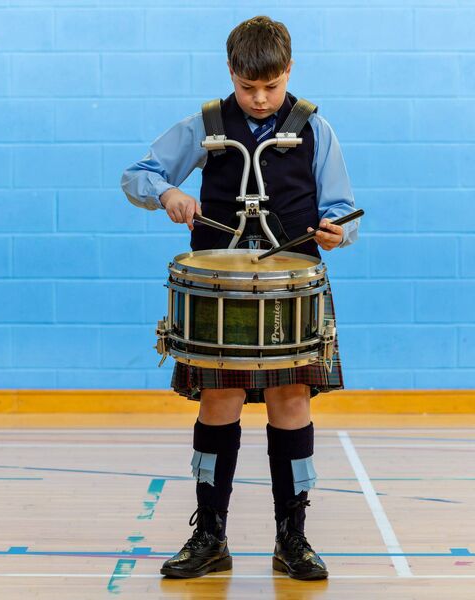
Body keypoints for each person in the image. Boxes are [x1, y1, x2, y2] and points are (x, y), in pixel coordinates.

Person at [121, 15, 358, 581]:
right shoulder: (205, 124)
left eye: (270, 87)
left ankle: (292, 538)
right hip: (220, 289)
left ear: (288, 71)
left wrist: (334, 229)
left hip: (291, 288)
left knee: (291, 403)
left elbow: (343, 210)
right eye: (248, 87)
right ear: (231, 71)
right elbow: (137, 174)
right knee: (218, 404)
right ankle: (210, 536)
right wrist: (169, 192)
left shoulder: (315, 128)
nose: (258, 99)